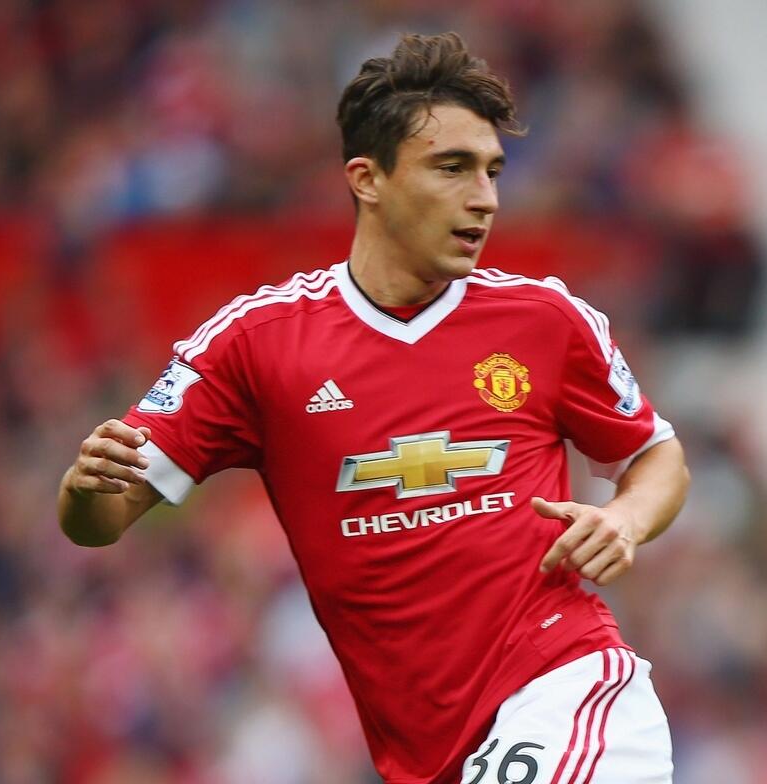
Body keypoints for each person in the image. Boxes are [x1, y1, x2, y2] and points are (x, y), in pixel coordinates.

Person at [57, 32, 689, 784]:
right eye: (450, 168)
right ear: (368, 179)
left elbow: (656, 456)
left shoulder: (545, 321)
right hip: (426, 757)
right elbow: (99, 520)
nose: (483, 196)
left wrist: (625, 518)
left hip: (569, 690)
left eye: (492, 171)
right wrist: (85, 489)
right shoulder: (258, 343)